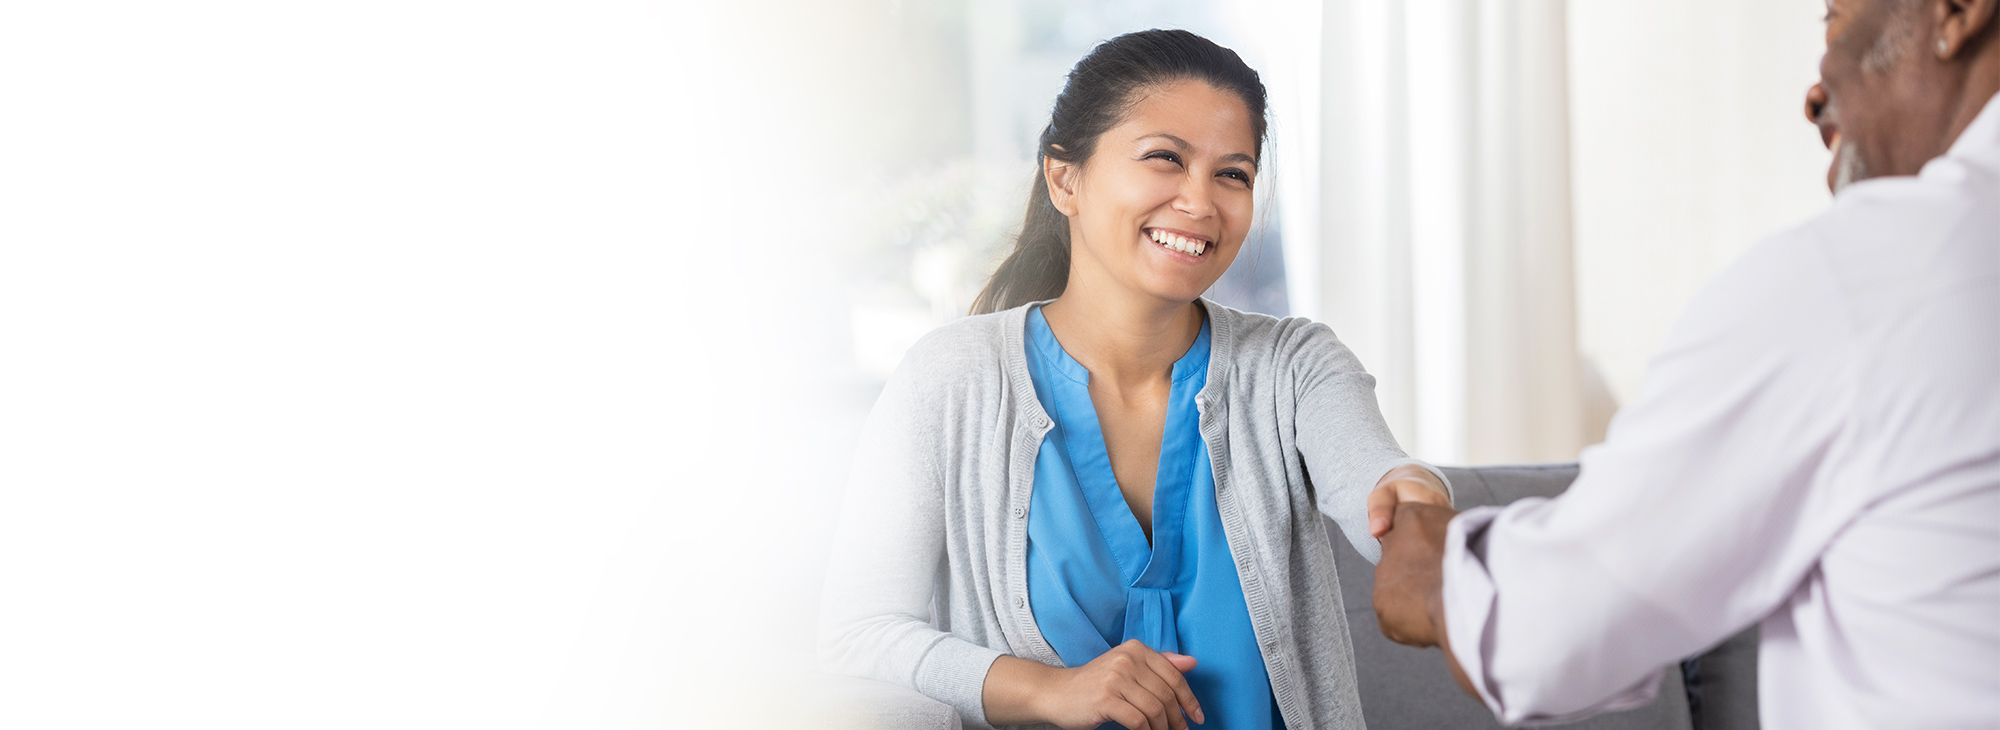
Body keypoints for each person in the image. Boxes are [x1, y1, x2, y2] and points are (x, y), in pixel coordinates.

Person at [1370, 0, 2000, 728]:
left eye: (1832, 18)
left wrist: (1434, 568)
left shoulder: (1859, 278)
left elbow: (1552, 628)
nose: (1814, 92)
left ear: (1955, 11)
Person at [820, 29, 1452, 730]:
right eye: (1165, 160)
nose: (1200, 202)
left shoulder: (1293, 367)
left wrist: (1412, 505)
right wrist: (1043, 689)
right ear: (1066, 179)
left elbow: (1376, 478)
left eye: (1233, 174)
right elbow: (859, 633)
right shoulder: (951, 380)